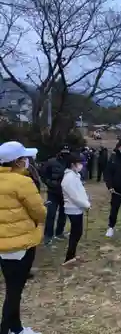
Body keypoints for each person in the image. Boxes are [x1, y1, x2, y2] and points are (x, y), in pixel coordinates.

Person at [0, 141, 46, 334]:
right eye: (25, 158)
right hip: (20, 243)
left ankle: (16, 328)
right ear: (18, 162)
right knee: (14, 291)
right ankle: (5, 329)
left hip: (3, 243)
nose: (28, 161)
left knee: (12, 287)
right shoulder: (22, 182)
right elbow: (39, 212)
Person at [61, 153, 91, 266]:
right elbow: (74, 196)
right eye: (79, 163)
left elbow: (80, 192)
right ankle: (69, 258)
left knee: (77, 233)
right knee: (76, 233)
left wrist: (86, 201)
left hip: (77, 208)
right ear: (72, 164)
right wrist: (86, 204)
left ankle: (72, 255)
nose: (81, 165)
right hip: (73, 209)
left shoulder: (75, 175)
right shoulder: (69, 178)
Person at [41, 146, 70, 245]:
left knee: (63, 213)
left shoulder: (69, 162)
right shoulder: (51, 162)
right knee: (51, 214)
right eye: (63, 152)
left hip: (65, 193)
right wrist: (48, 182)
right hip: (53, 192)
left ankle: (59, 232)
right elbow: (43, 173)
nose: (65, 154)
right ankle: (48, 235)